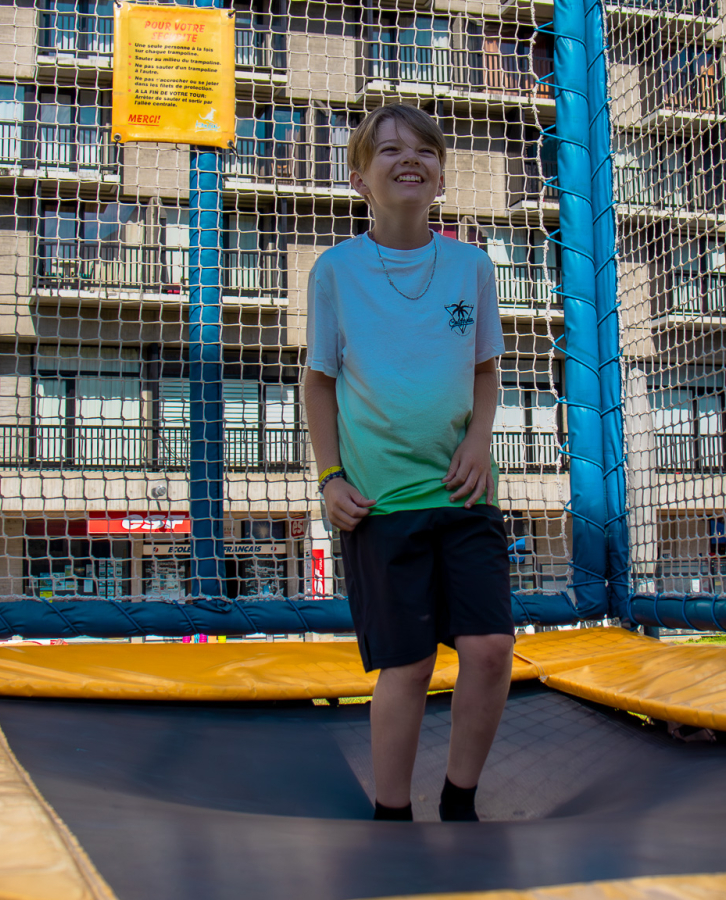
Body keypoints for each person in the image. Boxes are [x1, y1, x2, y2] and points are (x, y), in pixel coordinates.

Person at [303, 105, 515, 823]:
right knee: (410, 665)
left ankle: (460, 798)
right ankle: (391, 813)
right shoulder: (335, 271)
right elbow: (320, 382)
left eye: (425, 149)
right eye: (389, 149)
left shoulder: (471, 265)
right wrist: (330, 479)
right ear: (360, 177)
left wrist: (479, 439)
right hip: (380, 504)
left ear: (441, 175)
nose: (409, 159)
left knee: (488, 649)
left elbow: (486, 370)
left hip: (464, 493)